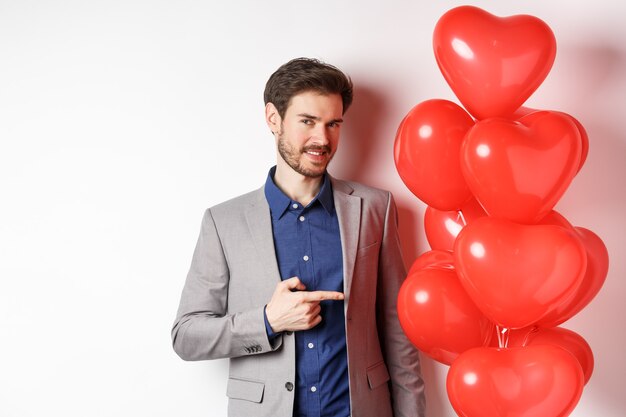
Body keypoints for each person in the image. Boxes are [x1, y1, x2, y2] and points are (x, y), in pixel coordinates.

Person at [171, 57, 425, 417]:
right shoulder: (223, 222)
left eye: (333, 123)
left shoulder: (374, 208)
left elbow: (399, 331)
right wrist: (268, 321)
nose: (323, 139)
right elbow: (187, 336)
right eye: (308, 121)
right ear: (273, 119)